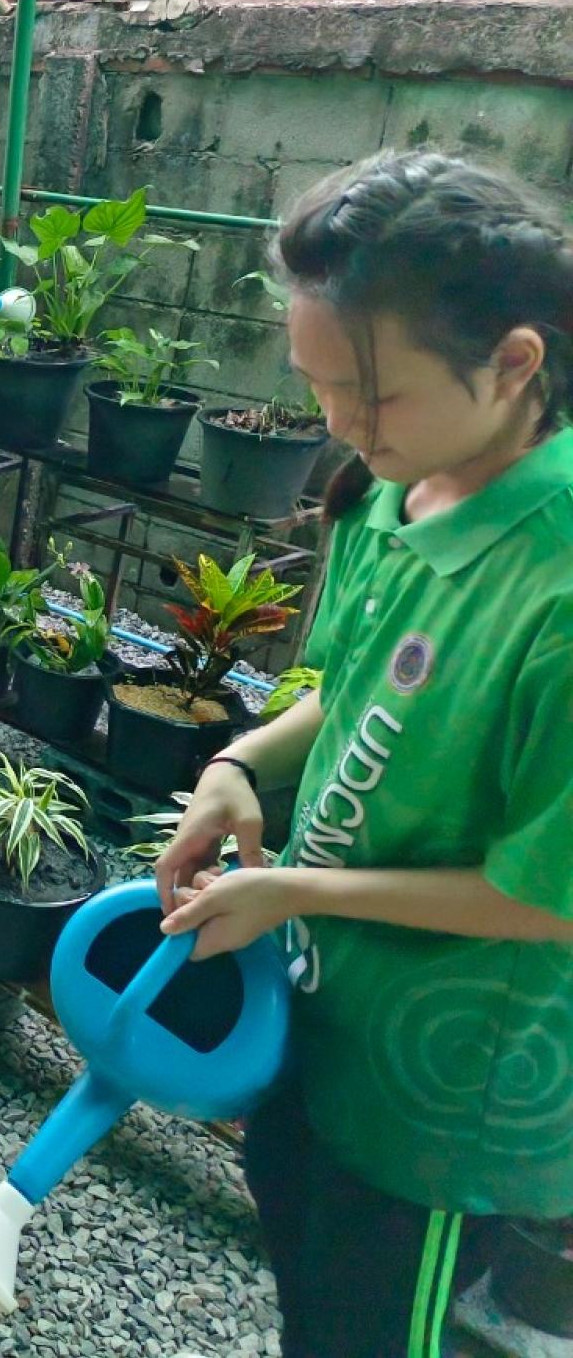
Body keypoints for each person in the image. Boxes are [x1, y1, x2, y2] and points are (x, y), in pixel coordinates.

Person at [154, 151, 573, 1358]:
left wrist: (294, 888)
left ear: (513, 364)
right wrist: (240, 767)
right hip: (323, 1021)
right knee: (313, 1297)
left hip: (444, 1104)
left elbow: (542, 897)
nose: (336, 425)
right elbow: (342, 694)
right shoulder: (391, 495)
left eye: (370, 397)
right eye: (316, 385)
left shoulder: (554, 588)